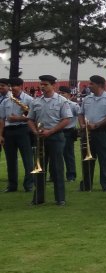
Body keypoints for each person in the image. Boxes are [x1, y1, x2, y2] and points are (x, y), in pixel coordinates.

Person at [26, 75, 74, 206]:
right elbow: (30, 119)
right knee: (39, 167)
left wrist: (51, 131)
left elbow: (66, 119)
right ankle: (38, 198)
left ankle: (60, 198)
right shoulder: (36, 101)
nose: (42, 87)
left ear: (54, 85)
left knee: (57, 167)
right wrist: (35, 131)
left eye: (46, 84)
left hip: (55, 137)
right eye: (41, 84)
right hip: (40, 137)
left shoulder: (62, 101)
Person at [77, 75, 106, 192]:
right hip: (88, 133)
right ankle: (86, 185)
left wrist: (96, 125)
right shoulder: (87, 99)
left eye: (91, 84)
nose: (89, 86)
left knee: (105, 159)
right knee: (86, 159)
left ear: (99, 85)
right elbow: (80, 113)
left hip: (102, 132)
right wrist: (82, 125)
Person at [0, 77, 35, 193]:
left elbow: (32, 117)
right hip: (8, 131)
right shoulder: (6, 101)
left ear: (21, 86)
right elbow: (2, 119)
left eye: (14, 86)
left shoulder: (29, 100)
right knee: (10, 160)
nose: (12, 88)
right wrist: (1, 135)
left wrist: (18, 118)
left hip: (23, 130)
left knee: (27, 159)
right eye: (11, 86)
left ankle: (29, 184)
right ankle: (12, 185)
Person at [59, 87, 81, 183]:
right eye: (59, 93)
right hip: (56, 131)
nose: (61, 95)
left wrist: (81, 127)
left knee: (68, 154)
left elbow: (80, 115)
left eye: (63, 93)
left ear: (69, 95)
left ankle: (71, 175)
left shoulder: (73, 105)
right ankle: (54, 175)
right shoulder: (57, 103)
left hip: (68, 131)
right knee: (55, 154)